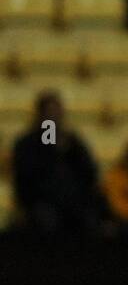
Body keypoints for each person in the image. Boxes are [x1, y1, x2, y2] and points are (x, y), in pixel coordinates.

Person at [12, 91, 102, 235]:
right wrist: (50, 148)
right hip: (41, 204)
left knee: (89, 218)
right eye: (49, 112)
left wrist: (68, 150)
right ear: (40, 115)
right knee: (46, 219)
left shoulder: (72, 142)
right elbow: (26, 178)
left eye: (56, 112)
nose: (53, 117)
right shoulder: (27, 144)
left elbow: (89, 173)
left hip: (72, 203)